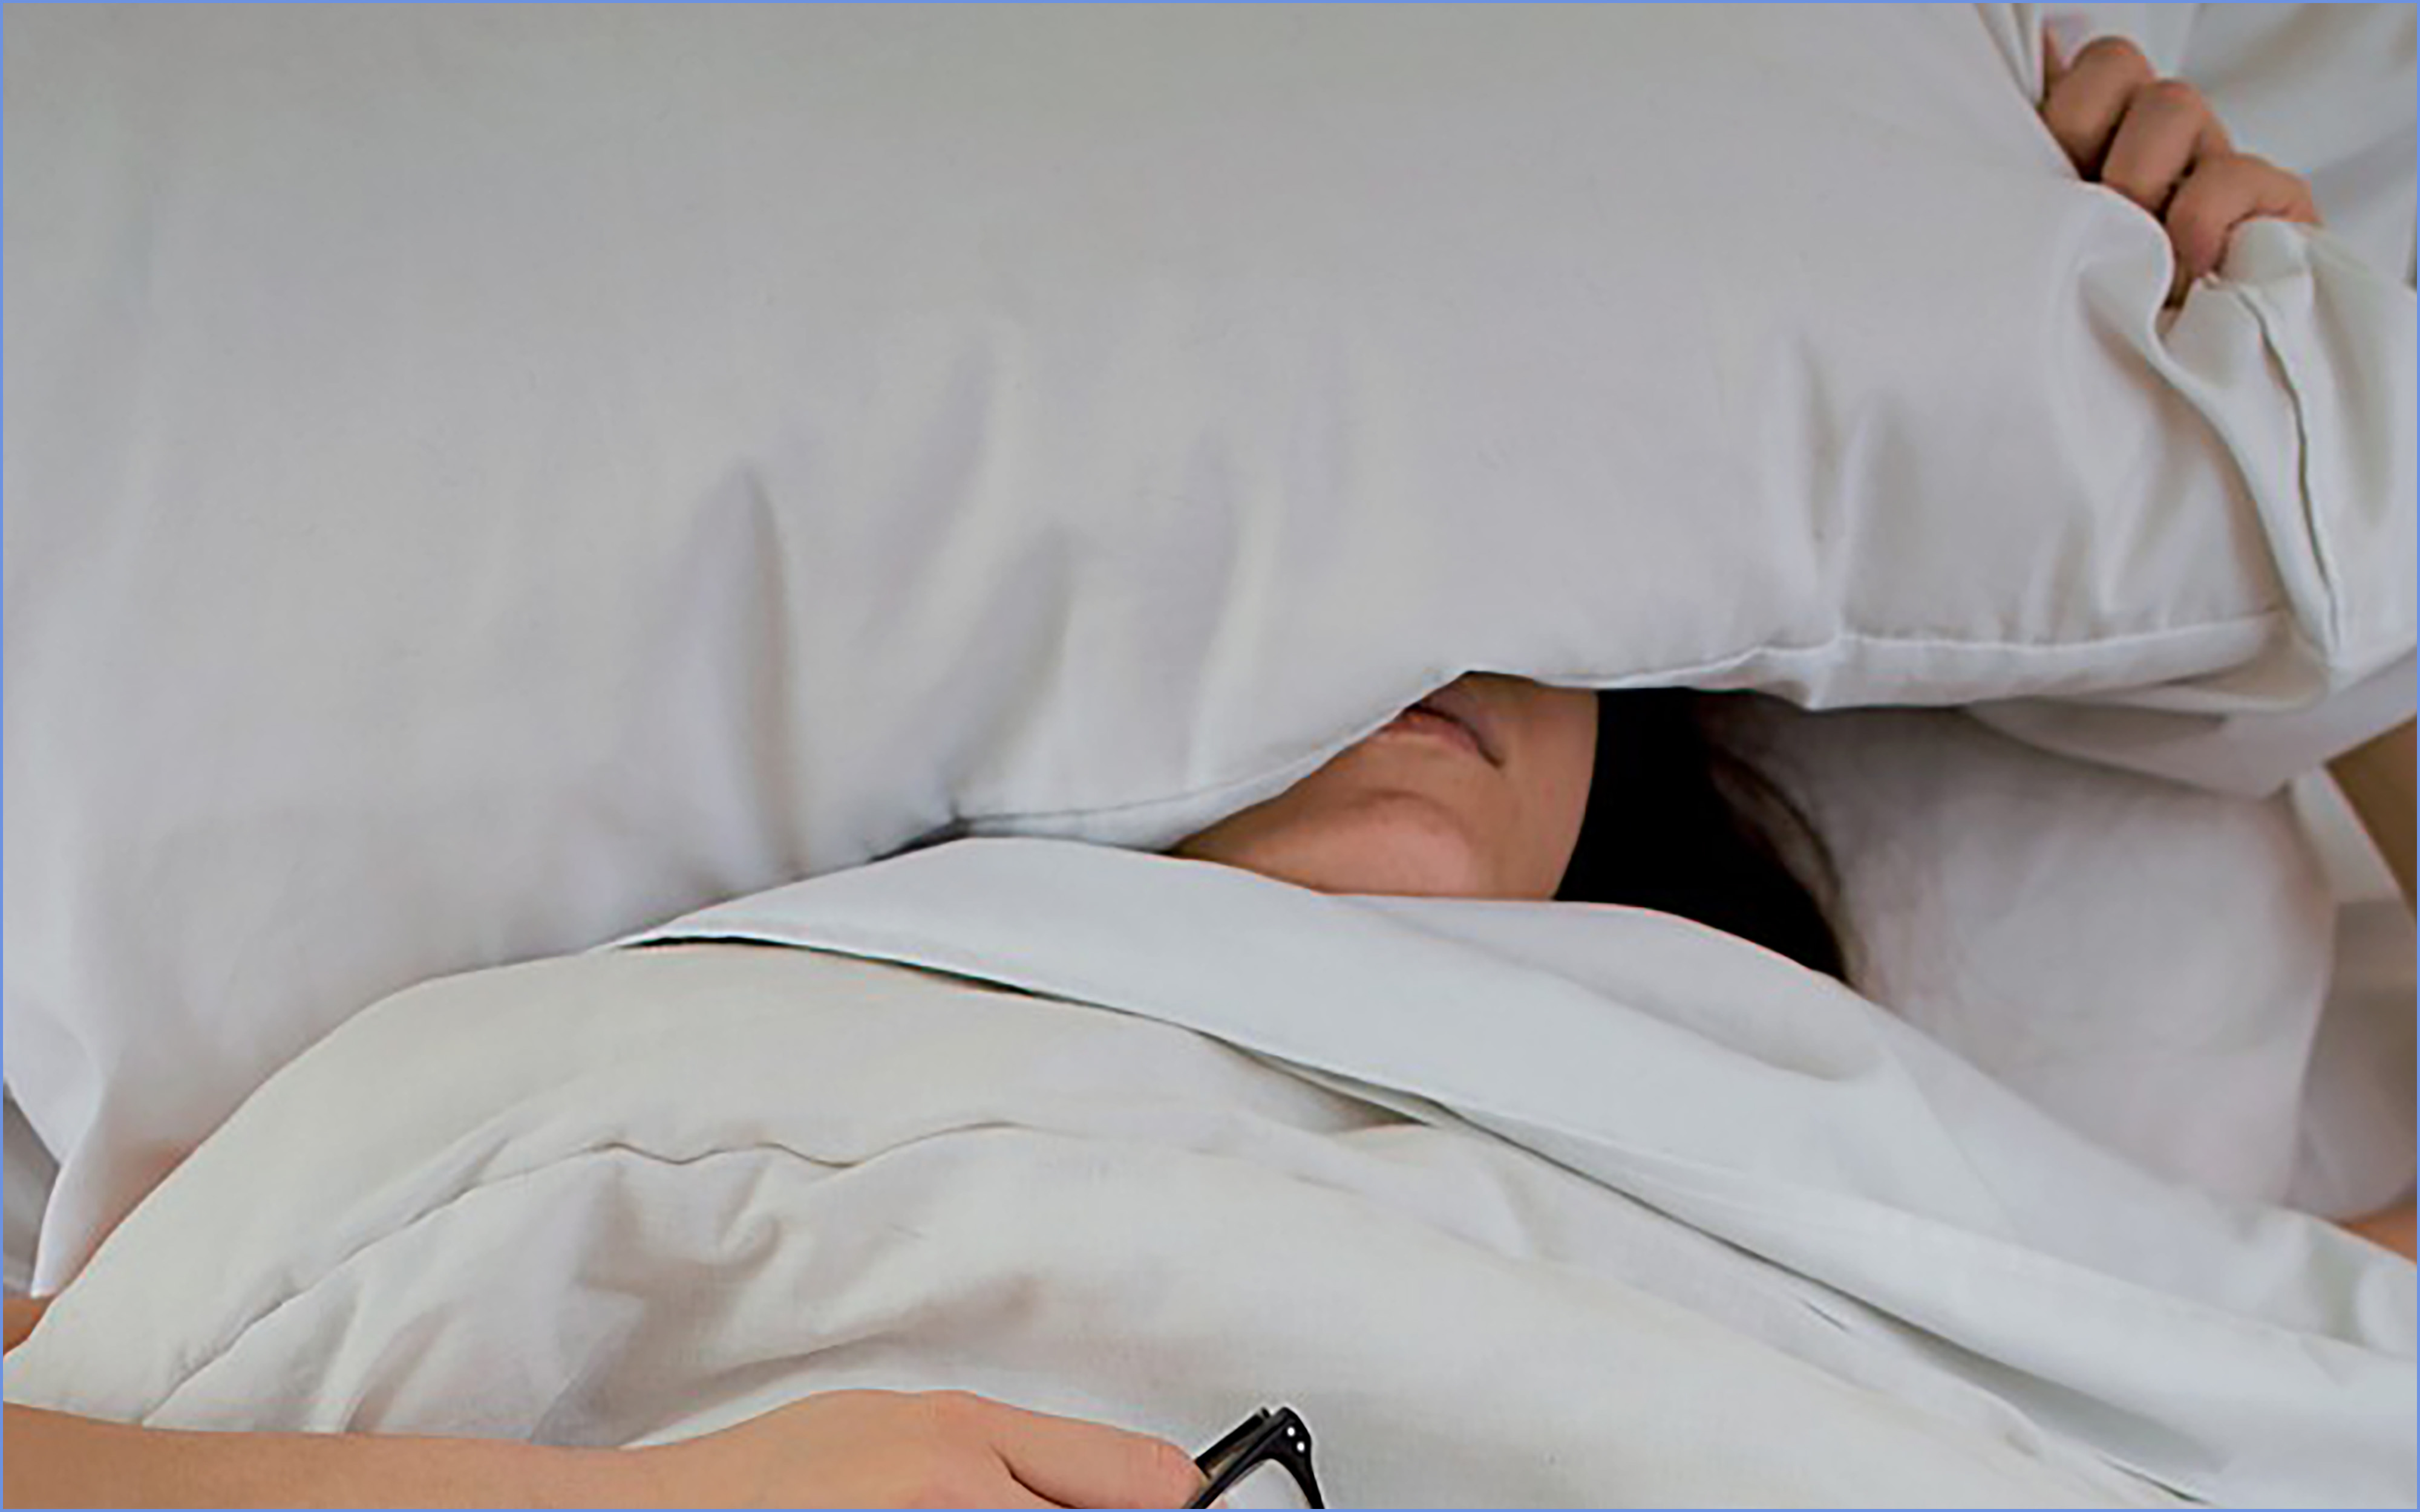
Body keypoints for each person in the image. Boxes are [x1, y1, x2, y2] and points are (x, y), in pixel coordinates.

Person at [3, 36, 2400, 1509]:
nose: (1401, 646)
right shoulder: (609, 1055)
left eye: (1506, 577)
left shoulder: (1894, 1175)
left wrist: (2288, 448)